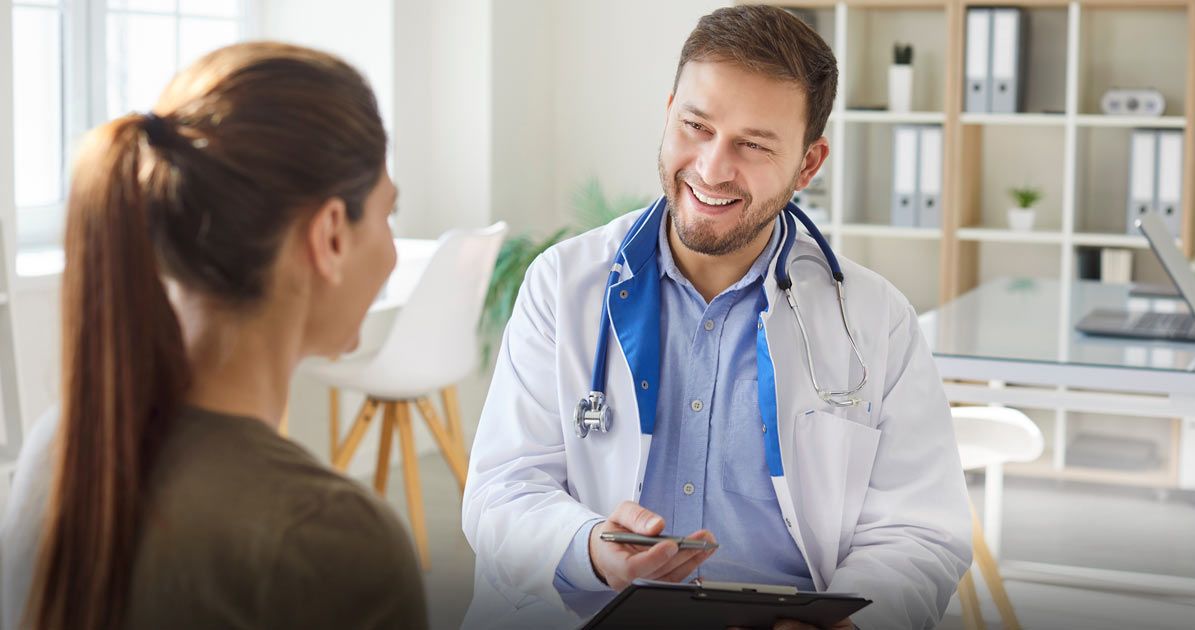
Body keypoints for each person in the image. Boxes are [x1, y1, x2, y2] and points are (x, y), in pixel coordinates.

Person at [461, 6, 971, 629]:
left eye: (753, 144)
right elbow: (502, 492)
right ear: (670, 109)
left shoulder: (875, 320)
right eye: (696, 126)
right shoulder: (563, 285)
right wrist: (592, 549)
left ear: (808, 164)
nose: (711, 168)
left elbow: (919, 531)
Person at [0, 42, 426, 630]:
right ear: (330, 234)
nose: (392, 251)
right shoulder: (332, 541)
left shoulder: (61, 445)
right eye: (387, 214)